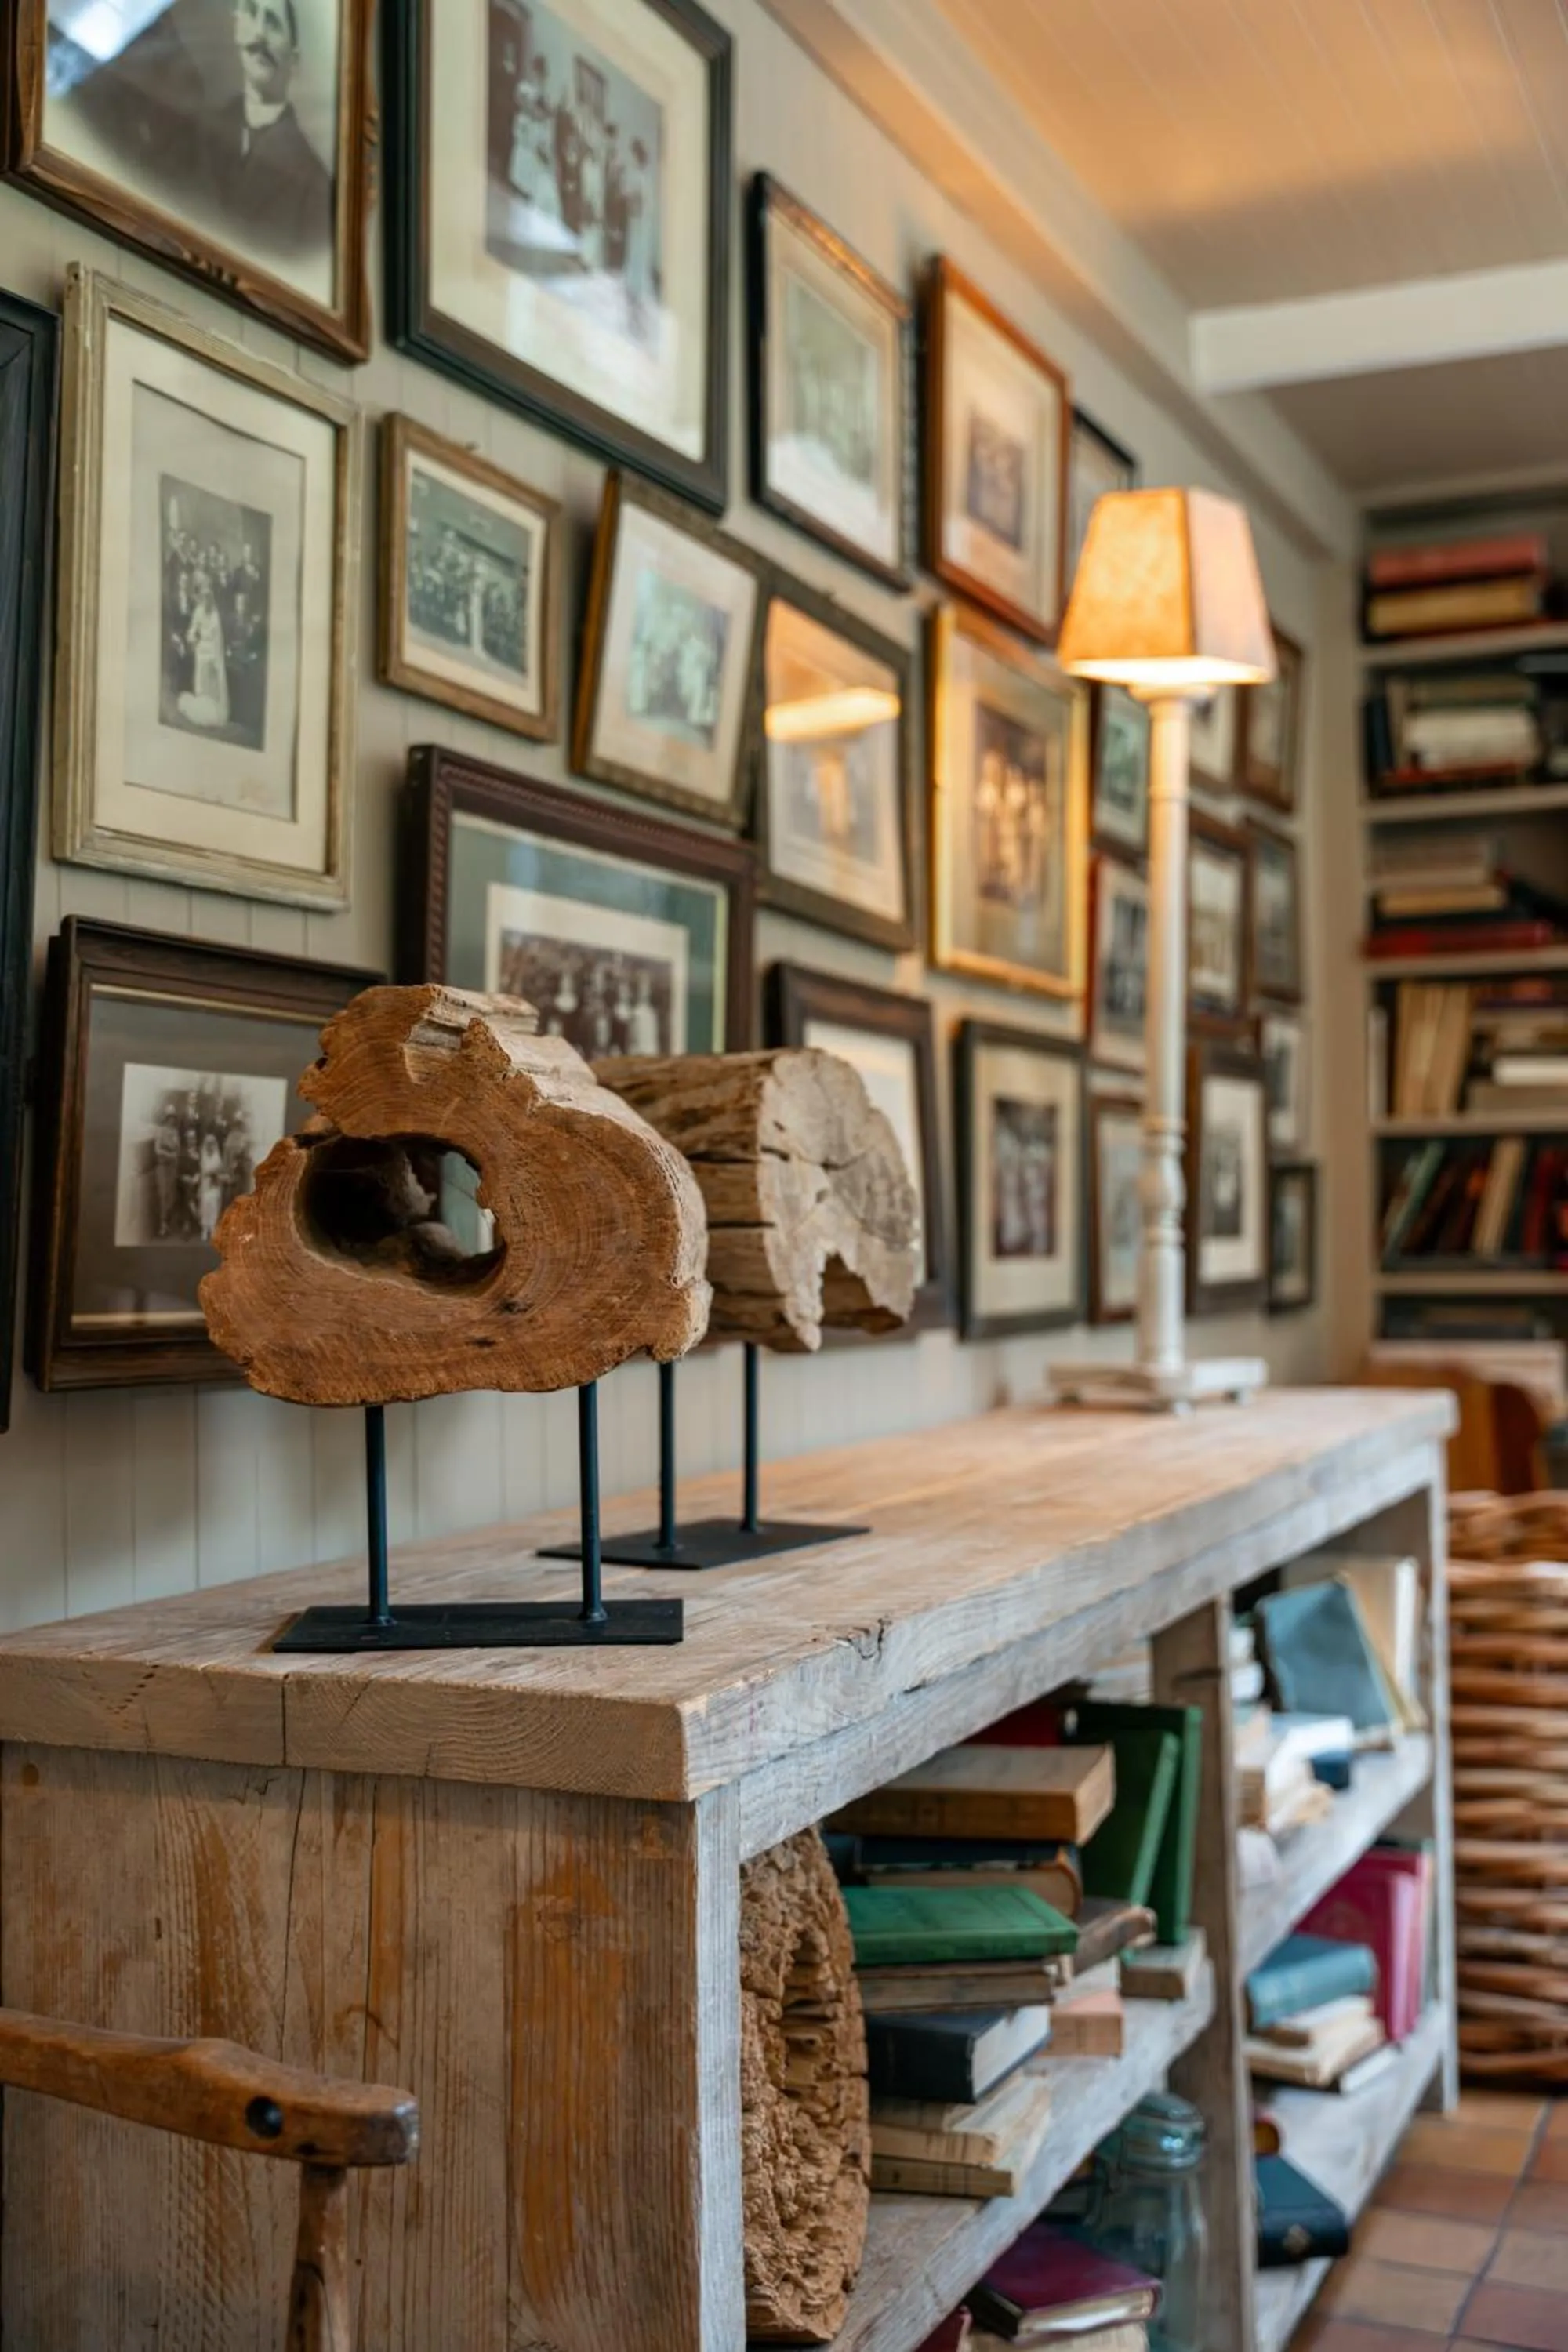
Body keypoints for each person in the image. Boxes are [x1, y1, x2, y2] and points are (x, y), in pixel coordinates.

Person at [208, 0, 332, 258]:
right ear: (237, 29)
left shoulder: (316, 188)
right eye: (252, 13)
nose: (260, 34)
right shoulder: (199, 130)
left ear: (294, 61)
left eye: (273, 24)